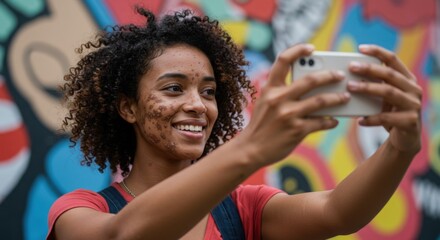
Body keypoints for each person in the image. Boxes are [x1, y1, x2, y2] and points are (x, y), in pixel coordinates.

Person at [47, 7, 422, 240]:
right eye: (174, 88)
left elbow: (337, 213)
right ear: (128, 108)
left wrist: (400, 146)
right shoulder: (82, 210)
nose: (197, 105)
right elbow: (123, 235)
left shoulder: (243, 209)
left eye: (208, 92)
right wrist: (251, 147)